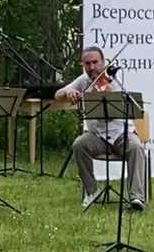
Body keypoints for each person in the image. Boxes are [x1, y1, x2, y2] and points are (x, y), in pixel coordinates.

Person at [56, 45, 147, 211]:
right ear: (83, 65)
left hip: (121, 134)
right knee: (79, 144)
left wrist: (104, 91)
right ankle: (92, 191)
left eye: (95, 63)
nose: (91, 68)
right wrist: (68, 90)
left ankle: (136, 197)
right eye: (87, 64)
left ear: (103, 62)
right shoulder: (83, 80)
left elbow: (111, 114)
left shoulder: (114, 81)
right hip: (97, 136)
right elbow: (58, 95)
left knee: (136, 147)